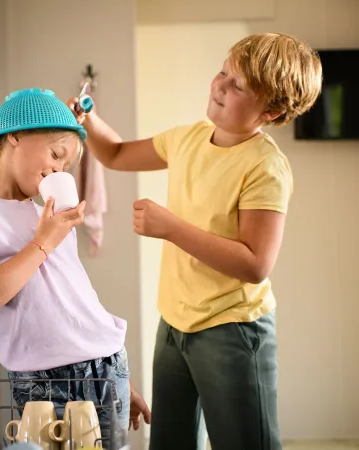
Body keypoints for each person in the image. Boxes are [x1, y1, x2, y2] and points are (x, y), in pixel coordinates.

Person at [67, 33, 323, 450]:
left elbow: (256, 263)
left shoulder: (266, 166)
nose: (220, 85)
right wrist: (87, 120)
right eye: (223, 71)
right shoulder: (186, 138)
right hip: (174, 325)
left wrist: (171, 227)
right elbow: (114, 154)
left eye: (237, 85)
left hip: (233, 331)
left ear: (271, 112)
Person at [0, 88, 151, 444]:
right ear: (15, 135)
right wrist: (43, 242)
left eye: (65, 166)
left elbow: (79, 300)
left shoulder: (49, 217)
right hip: (40, 381)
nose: (58, 169)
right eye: (56, 155)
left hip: (106, 368)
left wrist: (120, 379)